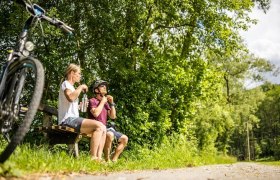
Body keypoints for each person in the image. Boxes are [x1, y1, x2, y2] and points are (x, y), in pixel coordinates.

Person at [58, 64, 106, 161]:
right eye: (79, 73)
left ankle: (99, 158)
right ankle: (93, 158)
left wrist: (79, 106)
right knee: (99, 126)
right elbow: (71, 97)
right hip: (67, 120)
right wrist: (80, 87)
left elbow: (71, 102)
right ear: (72, 73)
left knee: (103, 128)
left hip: (73, 119)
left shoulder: (71, 87)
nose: (80, 76)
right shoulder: (66, 83)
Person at [88, 80, 128, 162]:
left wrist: (112, 103)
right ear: (96, 90)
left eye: (105, 86)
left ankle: (114, 159)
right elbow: (95, 113)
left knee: (124, 138)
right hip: (96, 128)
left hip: (105, 128)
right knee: (109, 135)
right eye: (102, 86)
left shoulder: (105, 103)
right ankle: (107, 159)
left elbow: (113, 116)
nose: (105, 87)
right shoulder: (92, 101)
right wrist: (102, 102)